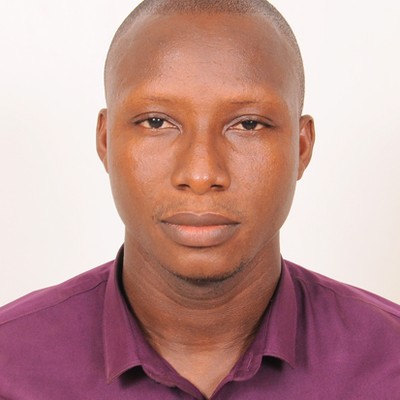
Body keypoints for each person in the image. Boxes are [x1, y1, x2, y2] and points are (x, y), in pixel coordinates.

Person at [0, 0, 399, 398]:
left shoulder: (390, 359)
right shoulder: (9, 363)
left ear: (302, 146)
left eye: (248, 124)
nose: (201, 174)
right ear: (106, 141)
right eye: (156, 122)